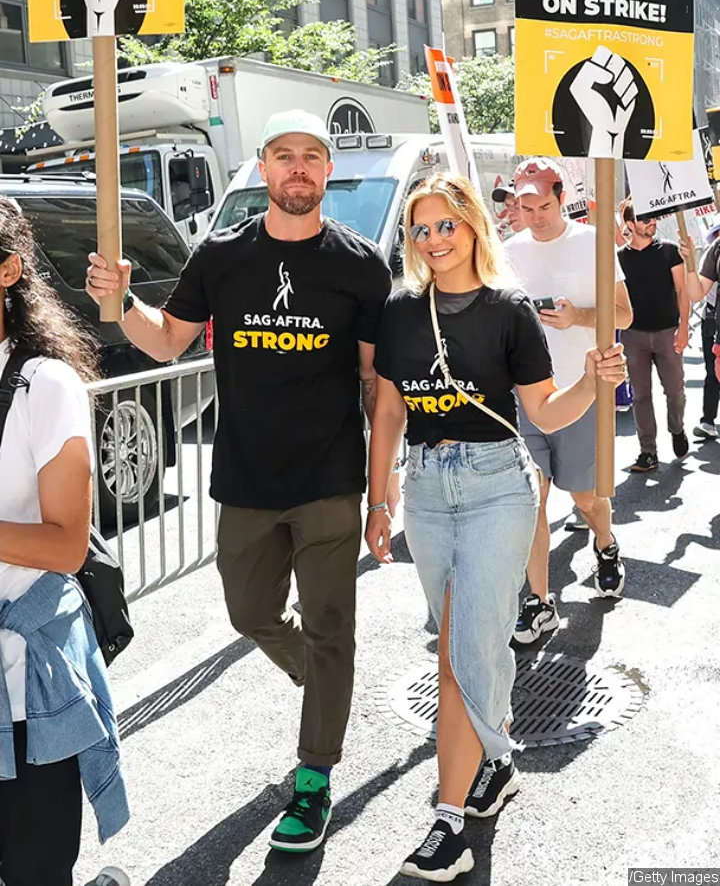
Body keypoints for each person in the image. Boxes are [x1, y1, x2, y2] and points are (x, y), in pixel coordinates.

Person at [85, 110, 392, 854]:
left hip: (329, 483)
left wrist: (381, 497)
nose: (297, 169)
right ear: (262, 167)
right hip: (245, 481)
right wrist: (121, 300)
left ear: (327, 172)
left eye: (311, 157)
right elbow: (165, 342)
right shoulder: (221, 255)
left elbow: (380, 385)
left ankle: (314, 776)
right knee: (249, 612)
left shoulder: (360, 265)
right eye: (284, 156)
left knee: (332, 630)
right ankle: (319, 678)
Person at [365, 172, 626, 882]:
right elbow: (388, 410)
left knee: (458, 649)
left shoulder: (509, 310)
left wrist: (594, 382)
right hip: (423, 490)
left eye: (445, 224)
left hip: (495, 489)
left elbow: (543, 413)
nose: (434, 239)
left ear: (474, 225)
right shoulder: (398, 312)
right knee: (473, 645)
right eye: (421, 229)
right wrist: (377, 500)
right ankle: (498, 757)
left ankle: (448, 821)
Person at [0, 196, 129, 886]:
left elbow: (64, 547)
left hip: (27, 684)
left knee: (34, 869)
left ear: (8, 270)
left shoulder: (43, 386)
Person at [504, 159, 633, 645]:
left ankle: (605, 544)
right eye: (526, 206)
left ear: (563, 198)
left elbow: (624, 312)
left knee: (585, 497)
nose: (535, 216)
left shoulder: (593, 243)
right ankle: (538, 601)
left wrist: (580, 315)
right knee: (530, 498)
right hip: (526, 395)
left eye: (543, 205)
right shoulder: (507, 251)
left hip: (582, 391)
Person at [618, 203, 690, 472]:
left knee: (675, 391)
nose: (652, 222)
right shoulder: (620, 258)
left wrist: (683, 328)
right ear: (629, 224)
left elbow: (682, 291)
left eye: (653, 217)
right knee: (640, 396)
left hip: (667, 332)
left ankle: (677, 428)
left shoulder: (669, 251)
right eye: (645, 218)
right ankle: (647, 452)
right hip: (634, 336)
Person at [682, 219, 720, 435]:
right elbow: (696, 293)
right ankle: (709, 419)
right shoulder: (717, 249)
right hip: (717, 330)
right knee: (713, 375)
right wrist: (689, 264)